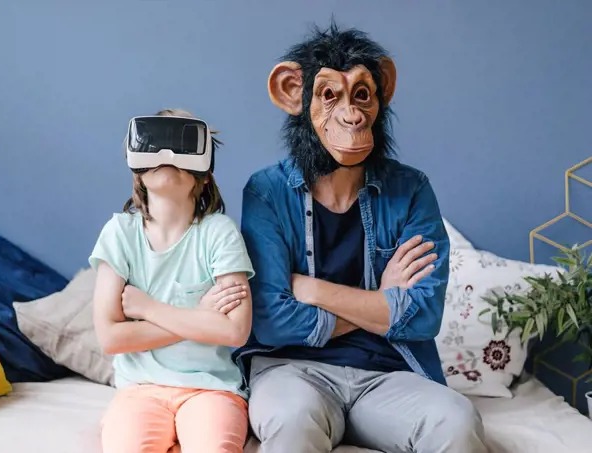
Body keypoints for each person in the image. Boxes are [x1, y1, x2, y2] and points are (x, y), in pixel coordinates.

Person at [232, 23, 488, 453]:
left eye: (362, 95)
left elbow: (423, 315)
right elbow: (272, 319)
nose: (350, 115)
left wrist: (312, 289)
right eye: (330, 95)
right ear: (294, 92)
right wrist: (379, 303)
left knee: (457, 420)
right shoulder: (267, 192)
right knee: (293, 423)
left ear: (381, 93)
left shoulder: (411, 190)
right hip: (291, 370)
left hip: (390, 374)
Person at [90, 108, 255, 453]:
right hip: (139, 389)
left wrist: (148, 308)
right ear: (138, 168)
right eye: (157, 143)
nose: (169, 156)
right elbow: (110, 338)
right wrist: (199, 314)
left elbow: (234, 331)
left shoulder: (218, 233)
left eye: (183, 144)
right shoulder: (120, 233)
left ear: (204, 174)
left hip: (211, 388)